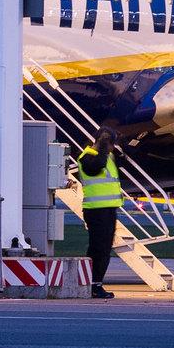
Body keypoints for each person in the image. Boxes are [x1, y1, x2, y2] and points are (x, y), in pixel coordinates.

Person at [76, 126, 124, 300]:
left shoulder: (109, 157)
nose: (113, 148)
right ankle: (94, 285)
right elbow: (95, 168)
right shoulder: (87, 157)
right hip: (96, 211)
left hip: (108, 209)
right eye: (111, 144)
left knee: (104, 249)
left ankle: (95, 283)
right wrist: (103, 146)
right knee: (99, 249)